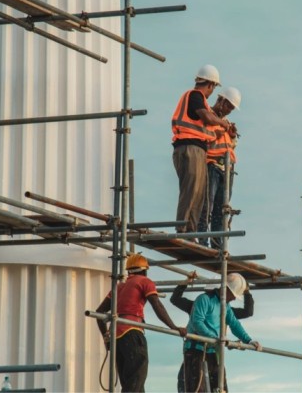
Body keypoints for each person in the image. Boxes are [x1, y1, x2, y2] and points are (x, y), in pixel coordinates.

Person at [96, 254, 187, 392]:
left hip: (117, 336)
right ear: (144, 270)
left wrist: (106, 337)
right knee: (137, 377)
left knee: (131, 381)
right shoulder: (145, 281)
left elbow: (99, 313)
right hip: (132, 332)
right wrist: (174, 327)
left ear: (128, 271)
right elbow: (157, 306)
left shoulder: (119, 286)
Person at [172, 64, 231, 236]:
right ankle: (182, 228)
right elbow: (207, 117)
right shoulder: (195, 95)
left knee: (198, 193)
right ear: (211, 85)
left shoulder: (199, 101)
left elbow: (206, 128)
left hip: (196, 149)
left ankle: (190, 231)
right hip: (188, 148)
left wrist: (223, 129)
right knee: (190, 190)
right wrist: (222, 122)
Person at [170, 277, 254, 392]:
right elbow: (197, 322)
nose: (234, 298)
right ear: (226, 289)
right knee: (197, 388)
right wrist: (214, 338)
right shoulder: (204, 299)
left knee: (220, 389)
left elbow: (234, 324)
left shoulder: (225, 306)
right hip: (197, 351)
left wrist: (248, 340)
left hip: (214, 352)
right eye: (234, 295)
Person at [197, 87, 241, 248]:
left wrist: (233, 135)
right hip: (212, 166)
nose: (229, 110)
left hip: (227, 169)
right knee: (206, 206)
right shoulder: (208, 116)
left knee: (221, 210)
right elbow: (204, 138)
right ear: (221, 100)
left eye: (231, 108)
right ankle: (202, 240)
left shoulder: (226, 123)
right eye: (228, 106)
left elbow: (230, 146)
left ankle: (217, 244)